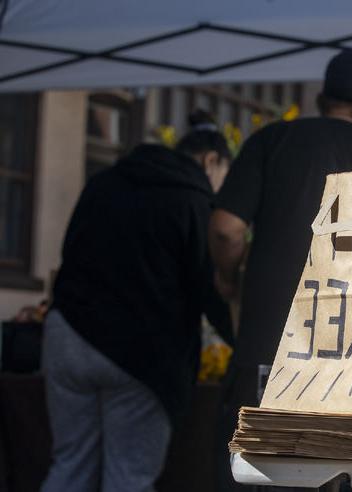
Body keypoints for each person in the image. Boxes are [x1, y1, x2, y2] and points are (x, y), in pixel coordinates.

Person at [209, 49, 352, 490]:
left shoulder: (272, 141)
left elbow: (225, 229)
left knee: (250, 477)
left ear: (323, 98)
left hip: (268, 357)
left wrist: (228, 277)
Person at [42, 111, 233, 492]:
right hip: (141, 353)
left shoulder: (104, 182)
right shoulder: (194, 202)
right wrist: (239, 338)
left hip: (68, 335)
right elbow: (207, 287)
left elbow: (70, 252)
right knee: (129, 477)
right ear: (211, 161)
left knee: (71, 462)